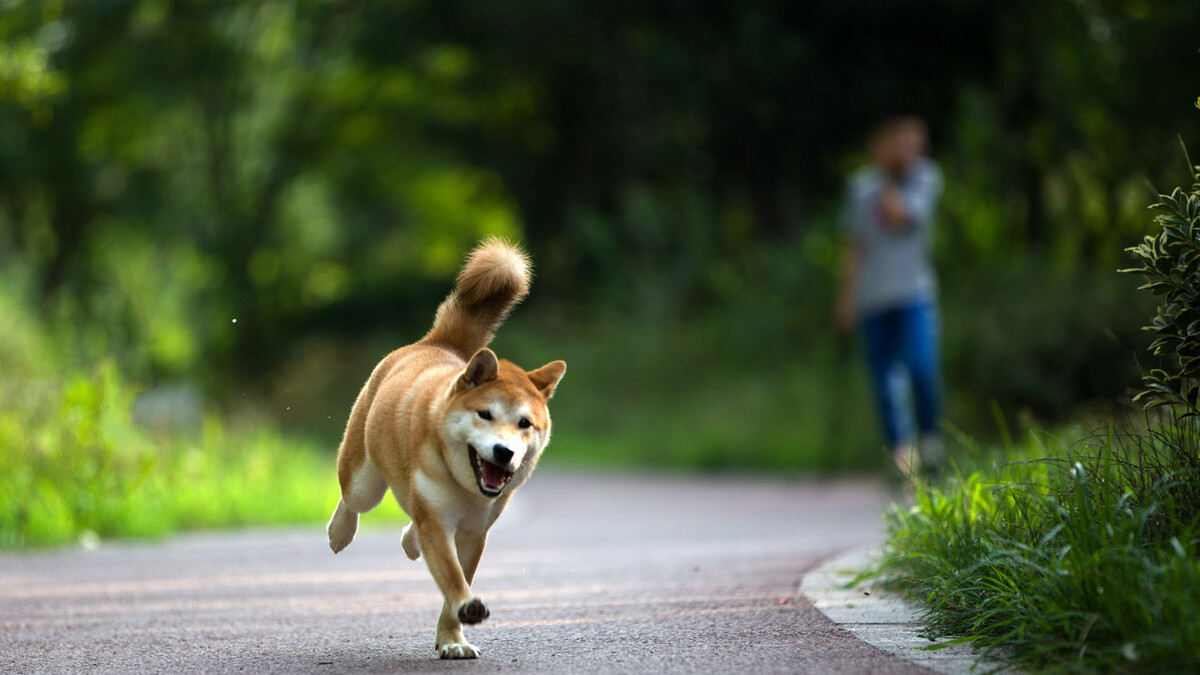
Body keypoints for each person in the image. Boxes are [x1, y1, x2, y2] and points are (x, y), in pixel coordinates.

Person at [835, 116, 943, 476]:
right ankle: (901, 456)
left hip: (914, 294)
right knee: (884, 382)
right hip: (873, 298)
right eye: (899, 143)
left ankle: (930, 442)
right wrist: (846, 297)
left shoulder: (926, 178)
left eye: (914, 143)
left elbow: (899, 217)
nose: (907, 151)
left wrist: (886, 179)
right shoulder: (861, 188)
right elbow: (854, 245)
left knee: (922, 369)